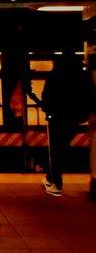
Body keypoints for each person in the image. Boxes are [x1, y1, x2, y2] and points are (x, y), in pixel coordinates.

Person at [41, 50, 93, 197]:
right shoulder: (83, 75)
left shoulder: (54, 75)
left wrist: (47, 111)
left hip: (56, 117)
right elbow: (90, 95)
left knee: (55, 150)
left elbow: (47, 95)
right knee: (62, 147)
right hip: (76, 117)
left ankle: (56, 183)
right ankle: (50, 178)